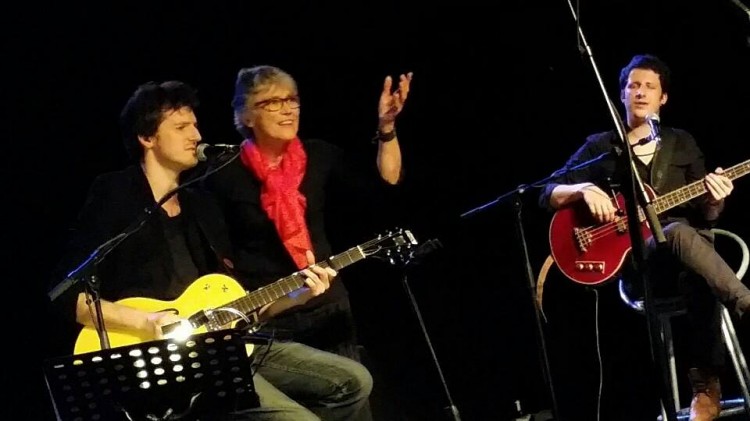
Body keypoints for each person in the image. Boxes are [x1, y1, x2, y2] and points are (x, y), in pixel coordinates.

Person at [47, 80, 373, 420]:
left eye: (195, 124)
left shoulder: (200, 203)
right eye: (181, 127)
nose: (196, 135)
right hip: (167, 361)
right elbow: (67, 295)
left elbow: (240, 305)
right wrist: (145, 321)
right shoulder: (117, 193)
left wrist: (298, 295)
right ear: (147, 138)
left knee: (352, 381)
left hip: (227, 348)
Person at [538, 54, 750, 421]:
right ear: (621, 94)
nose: (640, 92)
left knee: (689, 252)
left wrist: (715, 197)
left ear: (663, 98)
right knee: (678, 234)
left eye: (649, 87)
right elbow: (545, 192)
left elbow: (707, 213)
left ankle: (705, 388)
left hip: (691, 261)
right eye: (632, 85)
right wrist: (584, 189)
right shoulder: (601, 146)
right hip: (641, 265)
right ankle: (742, 310)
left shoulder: (682, 143)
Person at [201, 65, 412, 420]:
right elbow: (215, 258)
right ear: (245, 115)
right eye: (273, 101)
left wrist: (387, 130)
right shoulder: (224, 174)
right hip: (270, 324)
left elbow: (384, 184)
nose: (287, 109)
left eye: (292, 100)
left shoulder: (318, 155)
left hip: (329, 312)